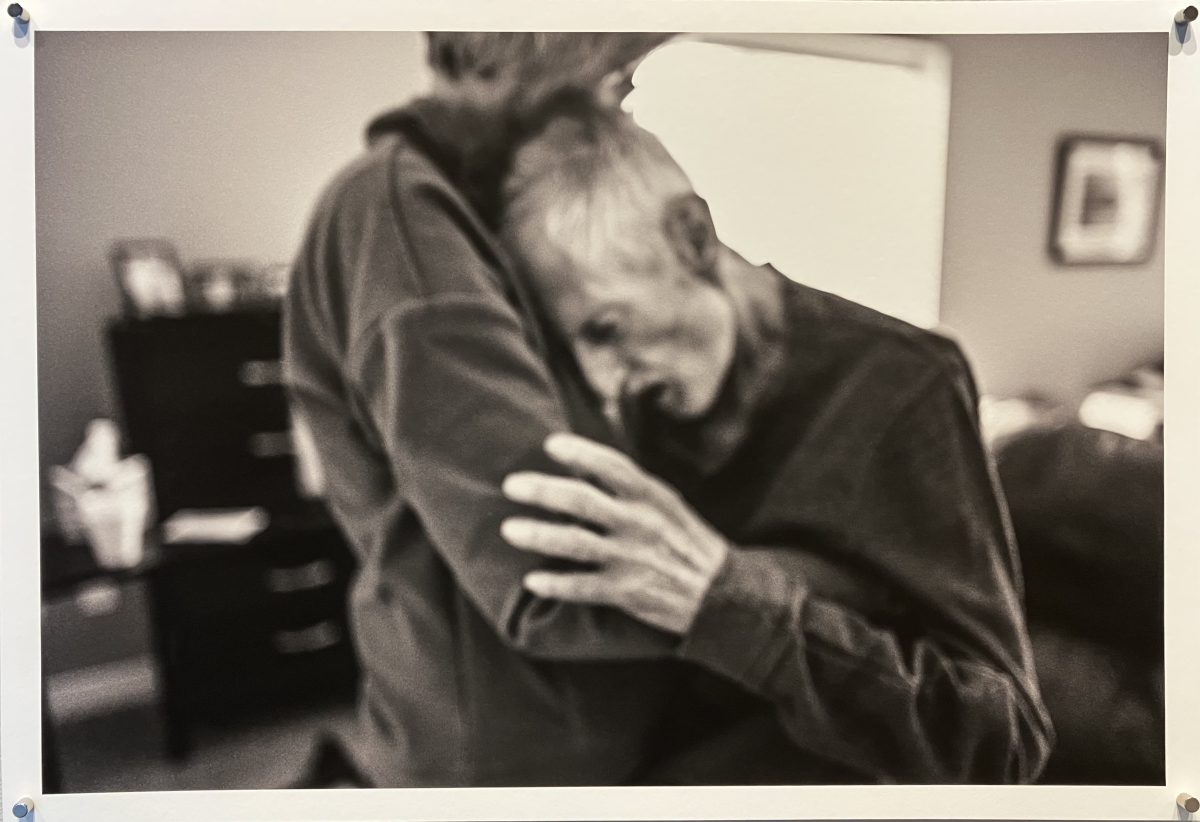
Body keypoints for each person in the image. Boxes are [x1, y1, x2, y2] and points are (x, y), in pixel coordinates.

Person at [494, 101, 1056, 784]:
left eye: (608, 328)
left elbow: (1003, 748)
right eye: (573, 346)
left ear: (693, 238)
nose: (601, 379)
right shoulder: (629, 408)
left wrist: (731, 603)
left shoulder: (901, 385)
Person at [282, 33, 693, 788]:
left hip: (569, 728)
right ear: (505, 53)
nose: (626, 99)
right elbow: (548, 572)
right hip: (519, 757)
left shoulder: (506, 211)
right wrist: (806, 584)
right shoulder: (401, 218)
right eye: (611, 74)